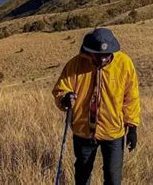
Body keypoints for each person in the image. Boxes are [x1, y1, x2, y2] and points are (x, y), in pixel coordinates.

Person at [52, 28, 140, 185]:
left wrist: (132, 126)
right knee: (82, 177)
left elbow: (131, 97)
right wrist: (65, 99)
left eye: (106, 55)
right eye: (98, 55)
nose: (103, 59)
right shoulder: (76, 64)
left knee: (113, 178)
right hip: (83, 131)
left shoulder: (124, 64)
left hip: (113, 131)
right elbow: (61, 89)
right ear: (89, 51)